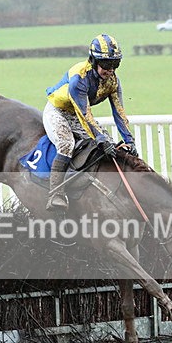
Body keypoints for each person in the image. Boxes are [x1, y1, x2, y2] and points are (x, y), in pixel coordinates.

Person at [43, 33, 138, 211]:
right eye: (106, 65)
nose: (110, 70)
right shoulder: (79, 79)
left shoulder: (113, 82)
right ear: (93, 61)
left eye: (115, 64)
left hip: (79, 112)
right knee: (66, 144)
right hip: (58, 111)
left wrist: (129, 140)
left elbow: (119, 112)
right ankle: (55, 193)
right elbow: (85, 115)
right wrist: (100, 140)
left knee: (109, 143)